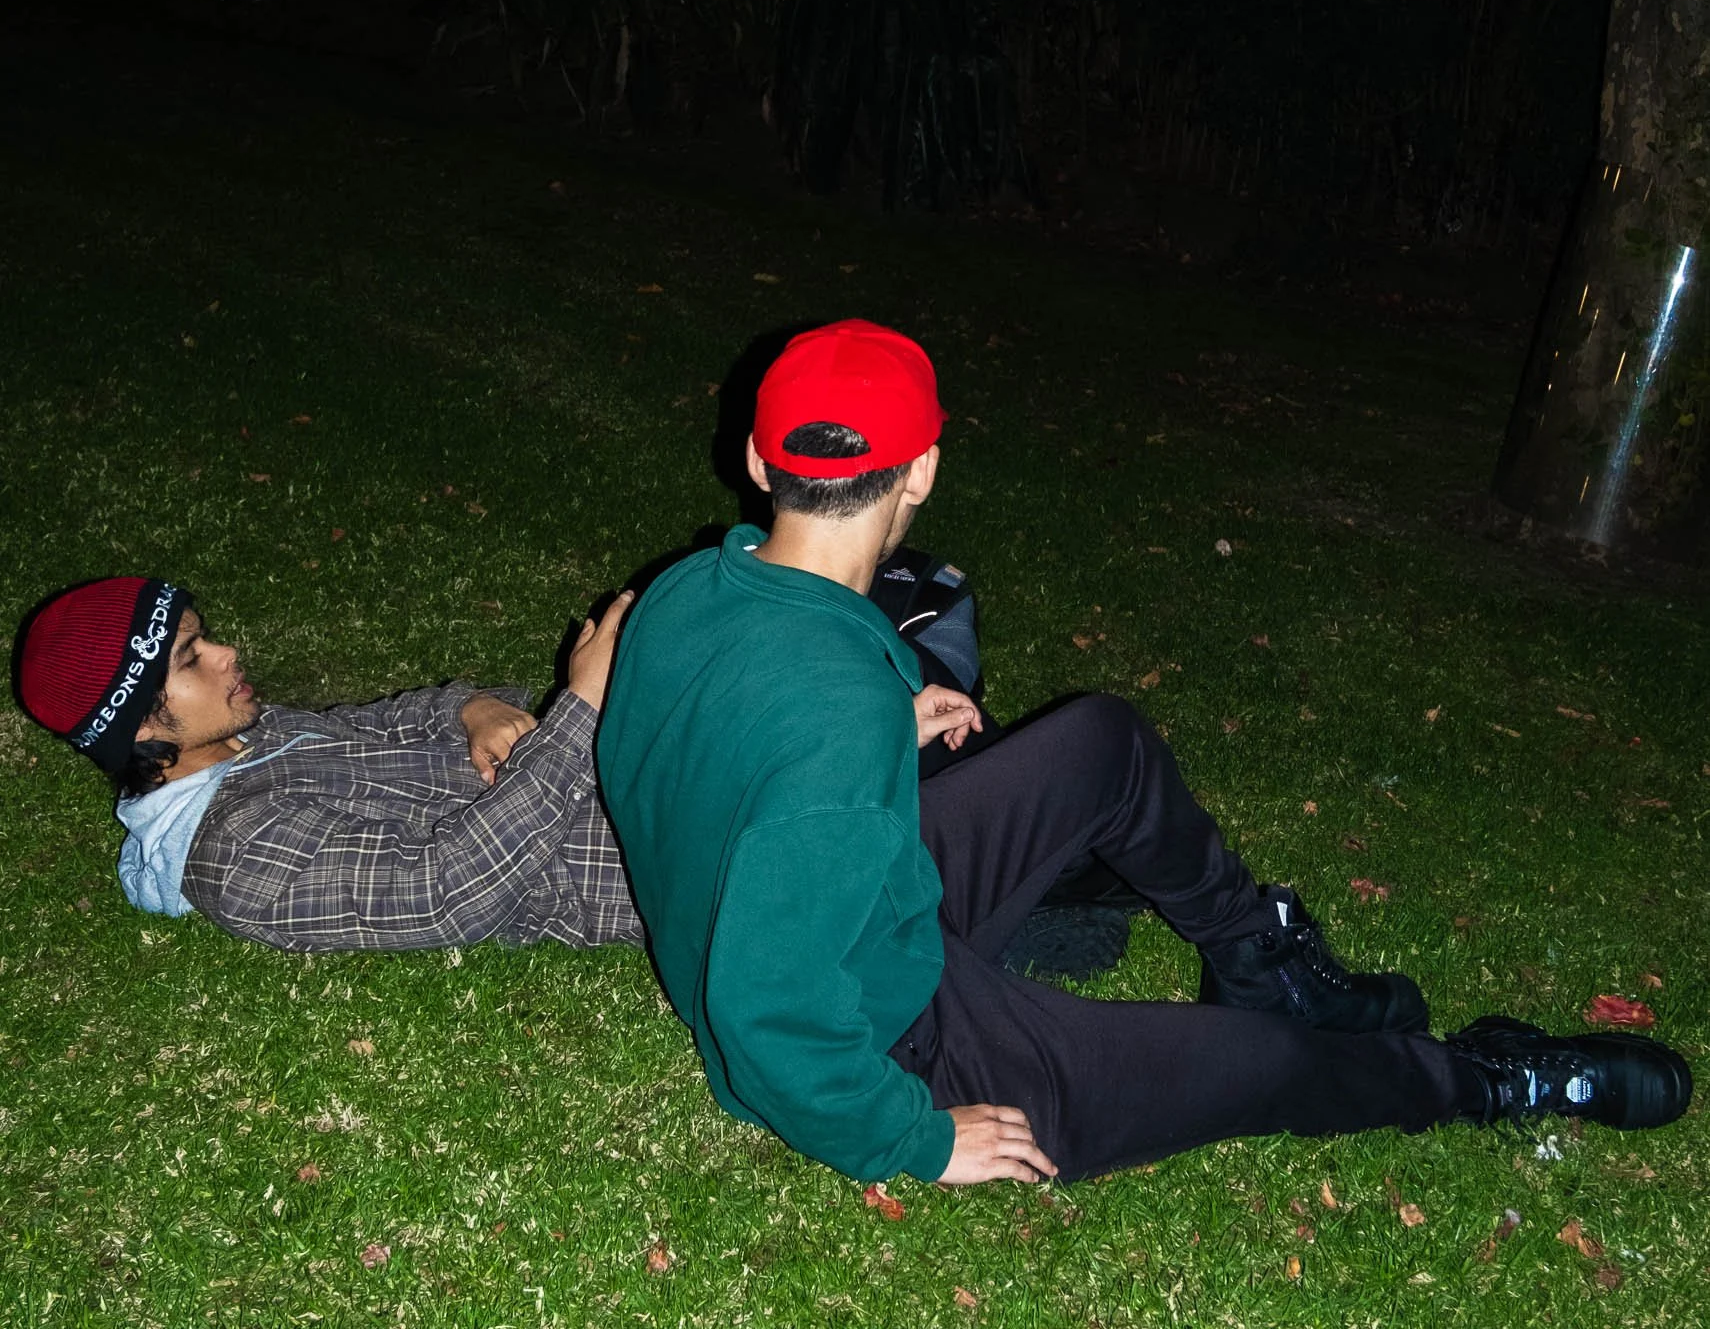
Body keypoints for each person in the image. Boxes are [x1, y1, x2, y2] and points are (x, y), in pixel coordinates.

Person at [596, 318, 1693, 1188]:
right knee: (1262, 1069)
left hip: (868, 905)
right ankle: (1485, 1079)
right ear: (921, 470)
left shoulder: (687, 592)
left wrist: (886, 717)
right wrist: (914, 1138)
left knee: (1100, 740)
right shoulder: (835, 724)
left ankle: (1255, 961)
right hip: (893, 1031)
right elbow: (768, 1008)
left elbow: (716, 741)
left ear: (760, 458)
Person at [10, 549, 1092, 964]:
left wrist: (481, 711)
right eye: (193, 659)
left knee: (843, 603)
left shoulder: (256, 738)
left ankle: (914, 766)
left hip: (656, 770)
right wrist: (578, 704)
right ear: (143, 729)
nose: (229, 655)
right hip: (679, 857)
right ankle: (1008, 859)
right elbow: (445, 892)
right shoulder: (234, 857)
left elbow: (412, 713)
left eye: (206, 634)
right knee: (1001, 815)